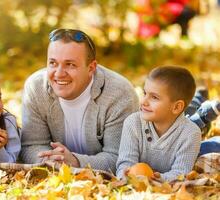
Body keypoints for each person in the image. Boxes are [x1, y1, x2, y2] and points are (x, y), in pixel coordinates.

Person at [20, 28, 139, 173]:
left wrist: (75, 162)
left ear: (91, 68)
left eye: (70, 64)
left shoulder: (119, 94)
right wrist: (53, 162)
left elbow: (119, 158)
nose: (59, 73)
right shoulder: (36, 88)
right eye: (53, 63)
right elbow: (31, 145)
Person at [116, 66, 201, 182]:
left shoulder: (191, 133)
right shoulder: (132, 123)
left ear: (176, 107)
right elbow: (125, 162)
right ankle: (201, 111)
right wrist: (125, 174)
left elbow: (181, 173)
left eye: (154, 97)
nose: (143, 101)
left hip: (188, 129)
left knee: (210, 150)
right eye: (144, 93)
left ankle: (203, 110)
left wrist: (156, 179)